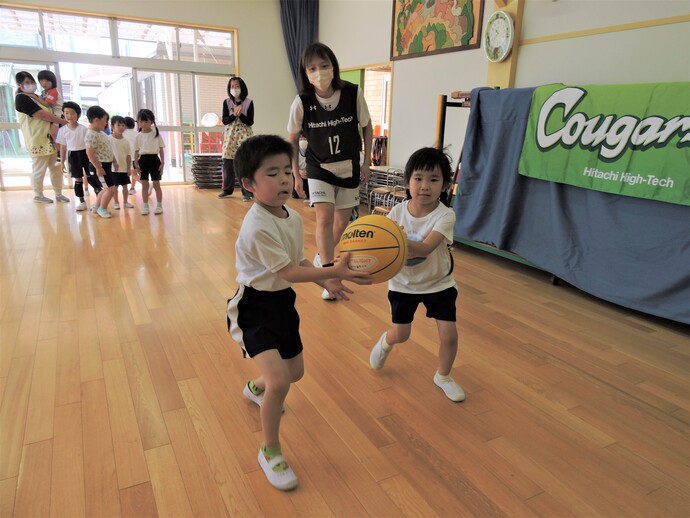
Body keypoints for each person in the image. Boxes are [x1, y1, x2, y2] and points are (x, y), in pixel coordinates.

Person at [226, 135, 371, 491]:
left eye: (286, 173)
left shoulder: (289, 217)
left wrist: (327, 281)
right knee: (280, 382)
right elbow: (288, 273)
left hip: (282, 305)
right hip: (254, 308)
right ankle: (270, 450)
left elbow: (298, 263)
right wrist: (333, 271)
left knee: (294, 373)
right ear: (248, 184)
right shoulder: (257, 224)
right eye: (271, 174)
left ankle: (254, 388)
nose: (284, 181)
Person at [368, 147, 465, 403]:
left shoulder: (445, 215)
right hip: (403, 284)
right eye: (418, 178)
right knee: (402, 334)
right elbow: (381, 250)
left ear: (445, 185)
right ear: (408, 181)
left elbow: (425, 248)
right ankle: (386, 342)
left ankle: (443, 376)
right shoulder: (396, 213)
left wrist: (394, 239)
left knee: (450, 335)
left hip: (439, 283)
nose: (425, 186)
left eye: (433, 180)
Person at [287, 42, 373, 300]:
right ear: (305, 72)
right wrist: (294, 173)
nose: (319, 72)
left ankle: (321, 256)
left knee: (341, 223)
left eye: (324, 66)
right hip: (318, 167)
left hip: (348, 166)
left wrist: (367, 161)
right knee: (324, 220)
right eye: (312, 68)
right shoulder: (302, 101)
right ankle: (329, 275)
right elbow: (291, 139)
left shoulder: (352, 93)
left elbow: (367, 127)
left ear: (333, 66)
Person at [14, 71, 68, 204]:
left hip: (50, 138)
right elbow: (42, 115)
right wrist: (63, 122)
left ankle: (58, 193)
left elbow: (52, 109)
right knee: (39, 168)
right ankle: (38, 194)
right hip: (37, 139)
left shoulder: (37, 96)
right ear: (20, 85)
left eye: (32, 82)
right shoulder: (21, 98)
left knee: (55, 167)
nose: (31, 85)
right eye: (27, 82)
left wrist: (56, 124)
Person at [218, 76, 255, 201]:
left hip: (244, 133)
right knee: (227, 161)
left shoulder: (249, 102)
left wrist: (241, 115)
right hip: (230, 134)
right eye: (232, 86)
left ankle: (247, 192)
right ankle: (227, 190)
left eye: (237, 86)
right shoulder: (226, 102)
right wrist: (234, 115)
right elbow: (224, 120)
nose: (235, 89)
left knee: (244, 162)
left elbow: (250, 121)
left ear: (242, 87)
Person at [55, 101, 91, 211]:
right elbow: (63, 147)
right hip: (73, 156)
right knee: (78, 179)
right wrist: (62, 162)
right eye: (66, 113)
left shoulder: (84, 129)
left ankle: (98, 197)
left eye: (72, 113)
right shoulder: (62, 130)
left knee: (91, 176)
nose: (69, 116)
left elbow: (89, 144)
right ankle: (81, 201)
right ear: (63, 114)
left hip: (85, 153)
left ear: (78, 115)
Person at [85, 105, 116, 219]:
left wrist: (114, 160)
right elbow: (90, 153)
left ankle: (97, 206)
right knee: (111, 189)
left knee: (106, 188)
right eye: (105, 121)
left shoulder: (101, 133)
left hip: (106, 165)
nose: (106, 123)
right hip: (100, 166)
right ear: (96, 120)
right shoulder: (91, 134)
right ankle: (102, 208)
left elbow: (107, 148)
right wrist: (98, 168)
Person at [133, 109, 165, 215]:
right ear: (138, 122)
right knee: (144, 185)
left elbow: (161, 149)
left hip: (154, 160)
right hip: (143, 160)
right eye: (141, 122)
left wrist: (163, 163)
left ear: (151, 122)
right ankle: (145, 205)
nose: (143, 124)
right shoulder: (138, 136)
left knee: (156, 184)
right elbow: (136, 150)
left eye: (146, 121)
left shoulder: (156, 134)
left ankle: (159, 205)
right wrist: (136, 163)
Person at [109, 116, 134, 210]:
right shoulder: (109, 139)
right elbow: (108, 153)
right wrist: (114, 163)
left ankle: (125, 202)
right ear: (112, 126)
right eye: (118, 125)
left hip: (124, 168)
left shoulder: (126, 141)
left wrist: (128, 168)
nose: (121, 127)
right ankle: (116, 202)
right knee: (115, 187)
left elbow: (128, 155)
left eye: (123, 125)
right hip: (113, 168)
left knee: (125, 186)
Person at [123, 116, 138, 195]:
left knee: (133, 174)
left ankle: (146, 184)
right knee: (134, 173)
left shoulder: (123, 134)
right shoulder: (136, 133)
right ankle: (132, 188)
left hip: (129, 157)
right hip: (137, 156)